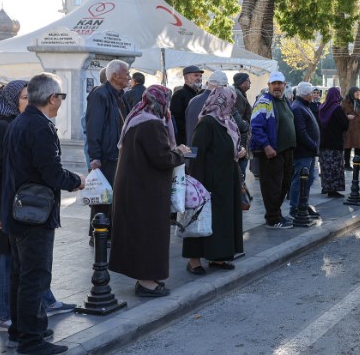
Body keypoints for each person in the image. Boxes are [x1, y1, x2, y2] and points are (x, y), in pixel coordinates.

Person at [0, 81, 74, 334]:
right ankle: (8, 317)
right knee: (12, 265)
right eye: (25, 97)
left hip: (16, 205)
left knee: (25, 266)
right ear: (14, 99)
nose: (29, 101)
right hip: (7, 207)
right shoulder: (4, 127)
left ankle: (37, 309)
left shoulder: (17, 123)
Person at [0, 72, 85, 355]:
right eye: (60, 97)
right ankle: (31, 340)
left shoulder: (21, 122)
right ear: (52, 98)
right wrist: (77, 181)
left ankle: (20, 331)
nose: (61, 102)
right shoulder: (38, 127)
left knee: (21, 275)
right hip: (32, 214)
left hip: (19, 210)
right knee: (34, 276)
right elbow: (51, 172)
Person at [109, 85, 189, 296]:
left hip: (135, 186)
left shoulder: (138, 117)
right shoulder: (152, 124)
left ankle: (147, 278)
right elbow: (162, 158)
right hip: (146, 189)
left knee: (140, 233)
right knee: (148, 234)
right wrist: (179, 153)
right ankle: (146, 282)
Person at [184, 87, 246, 272]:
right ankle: (193, 261)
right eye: (230, 101)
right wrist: (198, 184)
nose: (232, 105)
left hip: (227, 179)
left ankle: (218, 257)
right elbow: (197, 153)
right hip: (209, 181)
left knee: (222, 220)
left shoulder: (227, 122)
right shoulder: (207, 123)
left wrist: (239, 152)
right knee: (201, 218)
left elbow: (231, 147)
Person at [85, 59, 131, 246]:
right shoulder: (100, 94)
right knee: (102, 197)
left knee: (113, 196)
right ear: (114, 76)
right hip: (106, 155)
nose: (129, 77)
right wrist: (95, 156)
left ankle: (110, 232)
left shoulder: (119, 95)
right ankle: (98, 235)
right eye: (126, 74)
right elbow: (93, 127)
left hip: (117, 153)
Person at [250, 71, 296, 229]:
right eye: (274, 84)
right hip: (272, 152)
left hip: (286, 151)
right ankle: (272, 218)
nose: (277, 87)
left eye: (279, 84)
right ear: (268, 85)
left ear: (284, 85)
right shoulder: (264, 101)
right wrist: (267, 146)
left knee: (283, 185)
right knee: (272, 186)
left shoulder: (284, 100)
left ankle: (276, 213)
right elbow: (255, 127)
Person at [289, 82, 320, 217]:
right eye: (312, 93)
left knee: (309, 179)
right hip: (303, 152)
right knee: (300, 180)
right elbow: (301, 133)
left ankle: (303, 203)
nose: (314, 95)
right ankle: (295, 207)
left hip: (309, 151)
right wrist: (313, 146)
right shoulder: (298, 108)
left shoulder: (303, 106)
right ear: (307, 94)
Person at [318, 87, 348, 198]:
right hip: (335, 142)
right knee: (335, 167)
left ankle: (325, 187)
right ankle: (333, 190)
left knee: (325, 166)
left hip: (323, 142)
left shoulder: (321, 107)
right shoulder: (336, 109)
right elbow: (344, 125)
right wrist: (347, 118)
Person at [185, 71, 229, 146]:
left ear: (208, 83)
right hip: (207, 151)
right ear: (223, 86)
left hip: (191, 148)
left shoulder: (193, 100)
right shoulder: (218, 102)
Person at [170, 65, 204, 145]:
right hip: (186, 140)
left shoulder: (199, 94)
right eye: (196, 75)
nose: (199, 78)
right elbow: (177, 120)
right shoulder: (179, 95)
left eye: (200, 76)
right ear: (186, 78)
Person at [232, 73, 253, 183]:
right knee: (240, 174)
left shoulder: (240, 94)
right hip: (240, 141)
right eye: (248, 81)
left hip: (241, 140)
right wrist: (246, 125)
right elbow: (238, 121)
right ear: (242, 82)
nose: (250, 83)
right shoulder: (238, 95)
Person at [341, 86, 360, 170]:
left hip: (359, 127)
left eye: (359, 93)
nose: (358, 94)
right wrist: (346, 116)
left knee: (359, 146)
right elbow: (340, 114)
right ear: (352, 93)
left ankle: (357, 164)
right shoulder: (344, 102)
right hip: (349, 127)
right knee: (348, 146)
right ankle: (347, 164)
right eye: (357, 93)